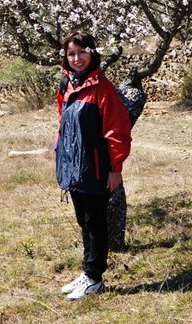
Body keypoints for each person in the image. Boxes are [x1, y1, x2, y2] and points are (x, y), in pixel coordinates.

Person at [55, 30, 132, 300]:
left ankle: (95, 278)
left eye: (82, 52)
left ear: (92, 53)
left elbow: (117, 131)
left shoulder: (102, 88)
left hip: (97, 167)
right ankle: (87, 272)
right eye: (71, 54)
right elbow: (63, 125)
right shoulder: (67, 86)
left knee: (95, 222)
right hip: (73, 166)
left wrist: (116, 168)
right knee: (82, 221)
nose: (77, 58)